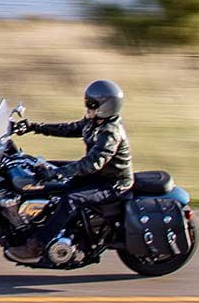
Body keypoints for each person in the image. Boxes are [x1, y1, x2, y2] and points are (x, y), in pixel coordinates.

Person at [11, 78, 133, 248]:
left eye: (91, 104)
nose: (87, 107)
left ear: (105, 107)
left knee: (71, 198)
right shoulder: (94, 122)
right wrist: (34, 127)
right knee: (49, 175)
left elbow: (92, 164)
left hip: (112, 183)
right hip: (98, 176)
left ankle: (38, 244)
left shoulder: (110, 132)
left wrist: (57, 173)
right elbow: (68, 128)